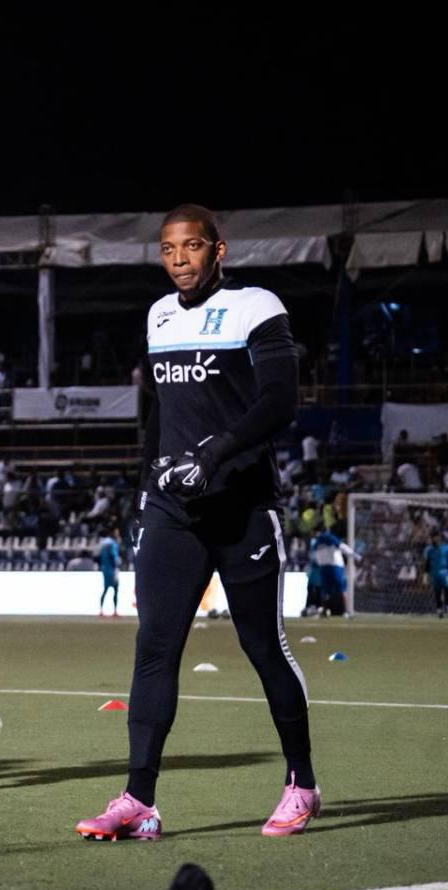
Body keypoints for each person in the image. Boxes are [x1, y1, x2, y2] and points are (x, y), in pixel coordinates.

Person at [76, 205, 319, 841]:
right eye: (168, 249)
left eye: (191, 247)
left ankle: (301, 783)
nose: (179, 259)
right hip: (173, 512)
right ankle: (139, 801)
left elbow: (280, 402)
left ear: (218, 250)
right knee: (154, 648)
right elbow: (161, 410)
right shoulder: (158, 315)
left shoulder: (255, 306)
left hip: (242, 506)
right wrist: (144, 488)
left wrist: (213, 455)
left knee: (264, 647)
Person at [422, 530, 448, 617]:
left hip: (445, 572)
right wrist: (425, 575)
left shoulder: (446, 548)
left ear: (440, 538)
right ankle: (439, 610)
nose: (435, 539)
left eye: (436, 537)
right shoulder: (429, 550)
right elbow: (427, 563)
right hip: (434, 573)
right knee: (437, 592)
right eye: (433, 537)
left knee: (447, 590)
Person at [95, 526, 122, 616]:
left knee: (105, 589)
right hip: (112, 569)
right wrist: (117, 564)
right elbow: (113, 556)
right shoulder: (112, 544)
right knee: (115, 589)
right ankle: (115, 611)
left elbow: (98, 556)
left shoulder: (103, 543)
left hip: (105, 569)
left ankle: (101, 610)